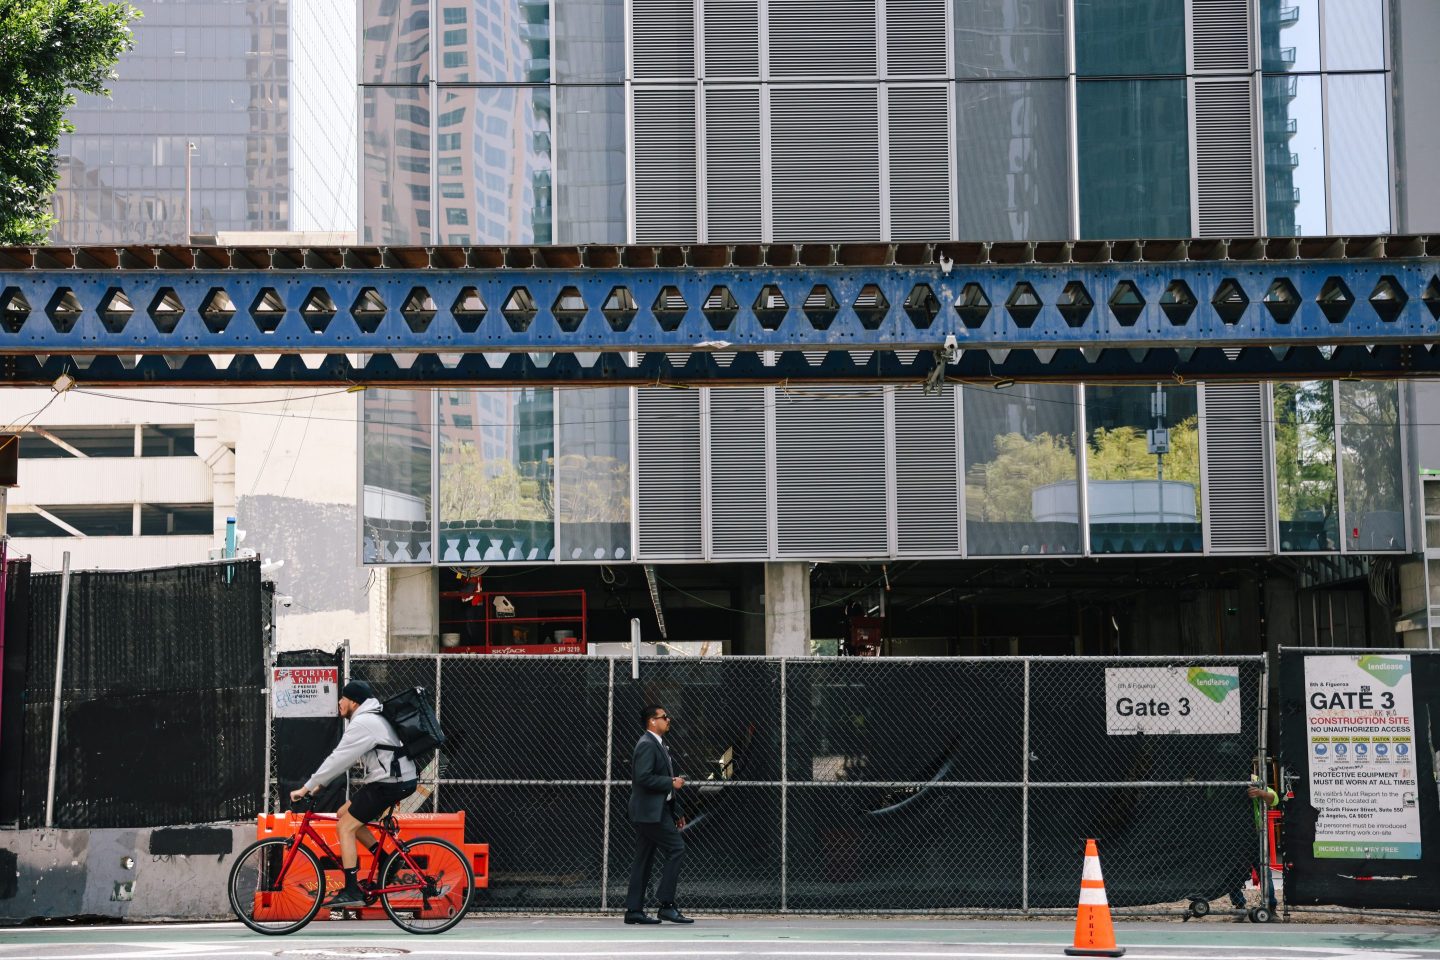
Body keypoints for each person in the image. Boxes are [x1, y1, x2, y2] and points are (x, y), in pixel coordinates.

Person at [289, 679, 418, 908]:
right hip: (392, 779)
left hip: (389, 782)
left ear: (354, 702)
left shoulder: (364, 723)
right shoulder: (369, 719)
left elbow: (338, 758)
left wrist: (307, 787)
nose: (339, 702)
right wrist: (321, 785)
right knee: (343, 813)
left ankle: (351, 889)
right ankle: (387, 860)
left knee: (345, 826)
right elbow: (346, 759)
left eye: (343, 698)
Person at [623, 704, 692, 925]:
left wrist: (676, 810)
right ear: (652, 721)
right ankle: (666, 905)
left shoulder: (658, 744)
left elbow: (658, 783)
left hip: (654, 811)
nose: (668, 720)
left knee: (643, 859)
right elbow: (642, 777)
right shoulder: (647, 744)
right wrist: (671, 782)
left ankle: (634, 910)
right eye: (664, 717)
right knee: (676, 848)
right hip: (649, 813)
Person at [1230, 775, 1279, 913]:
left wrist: (1260, 793)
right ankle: (1239, 904)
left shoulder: (1252, 779)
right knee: (1232, 870)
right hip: (1229, 835)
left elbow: (1274, 798)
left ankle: (1270, 905)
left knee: (1263, 869)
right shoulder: (1218, 777)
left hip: (1253, 834)